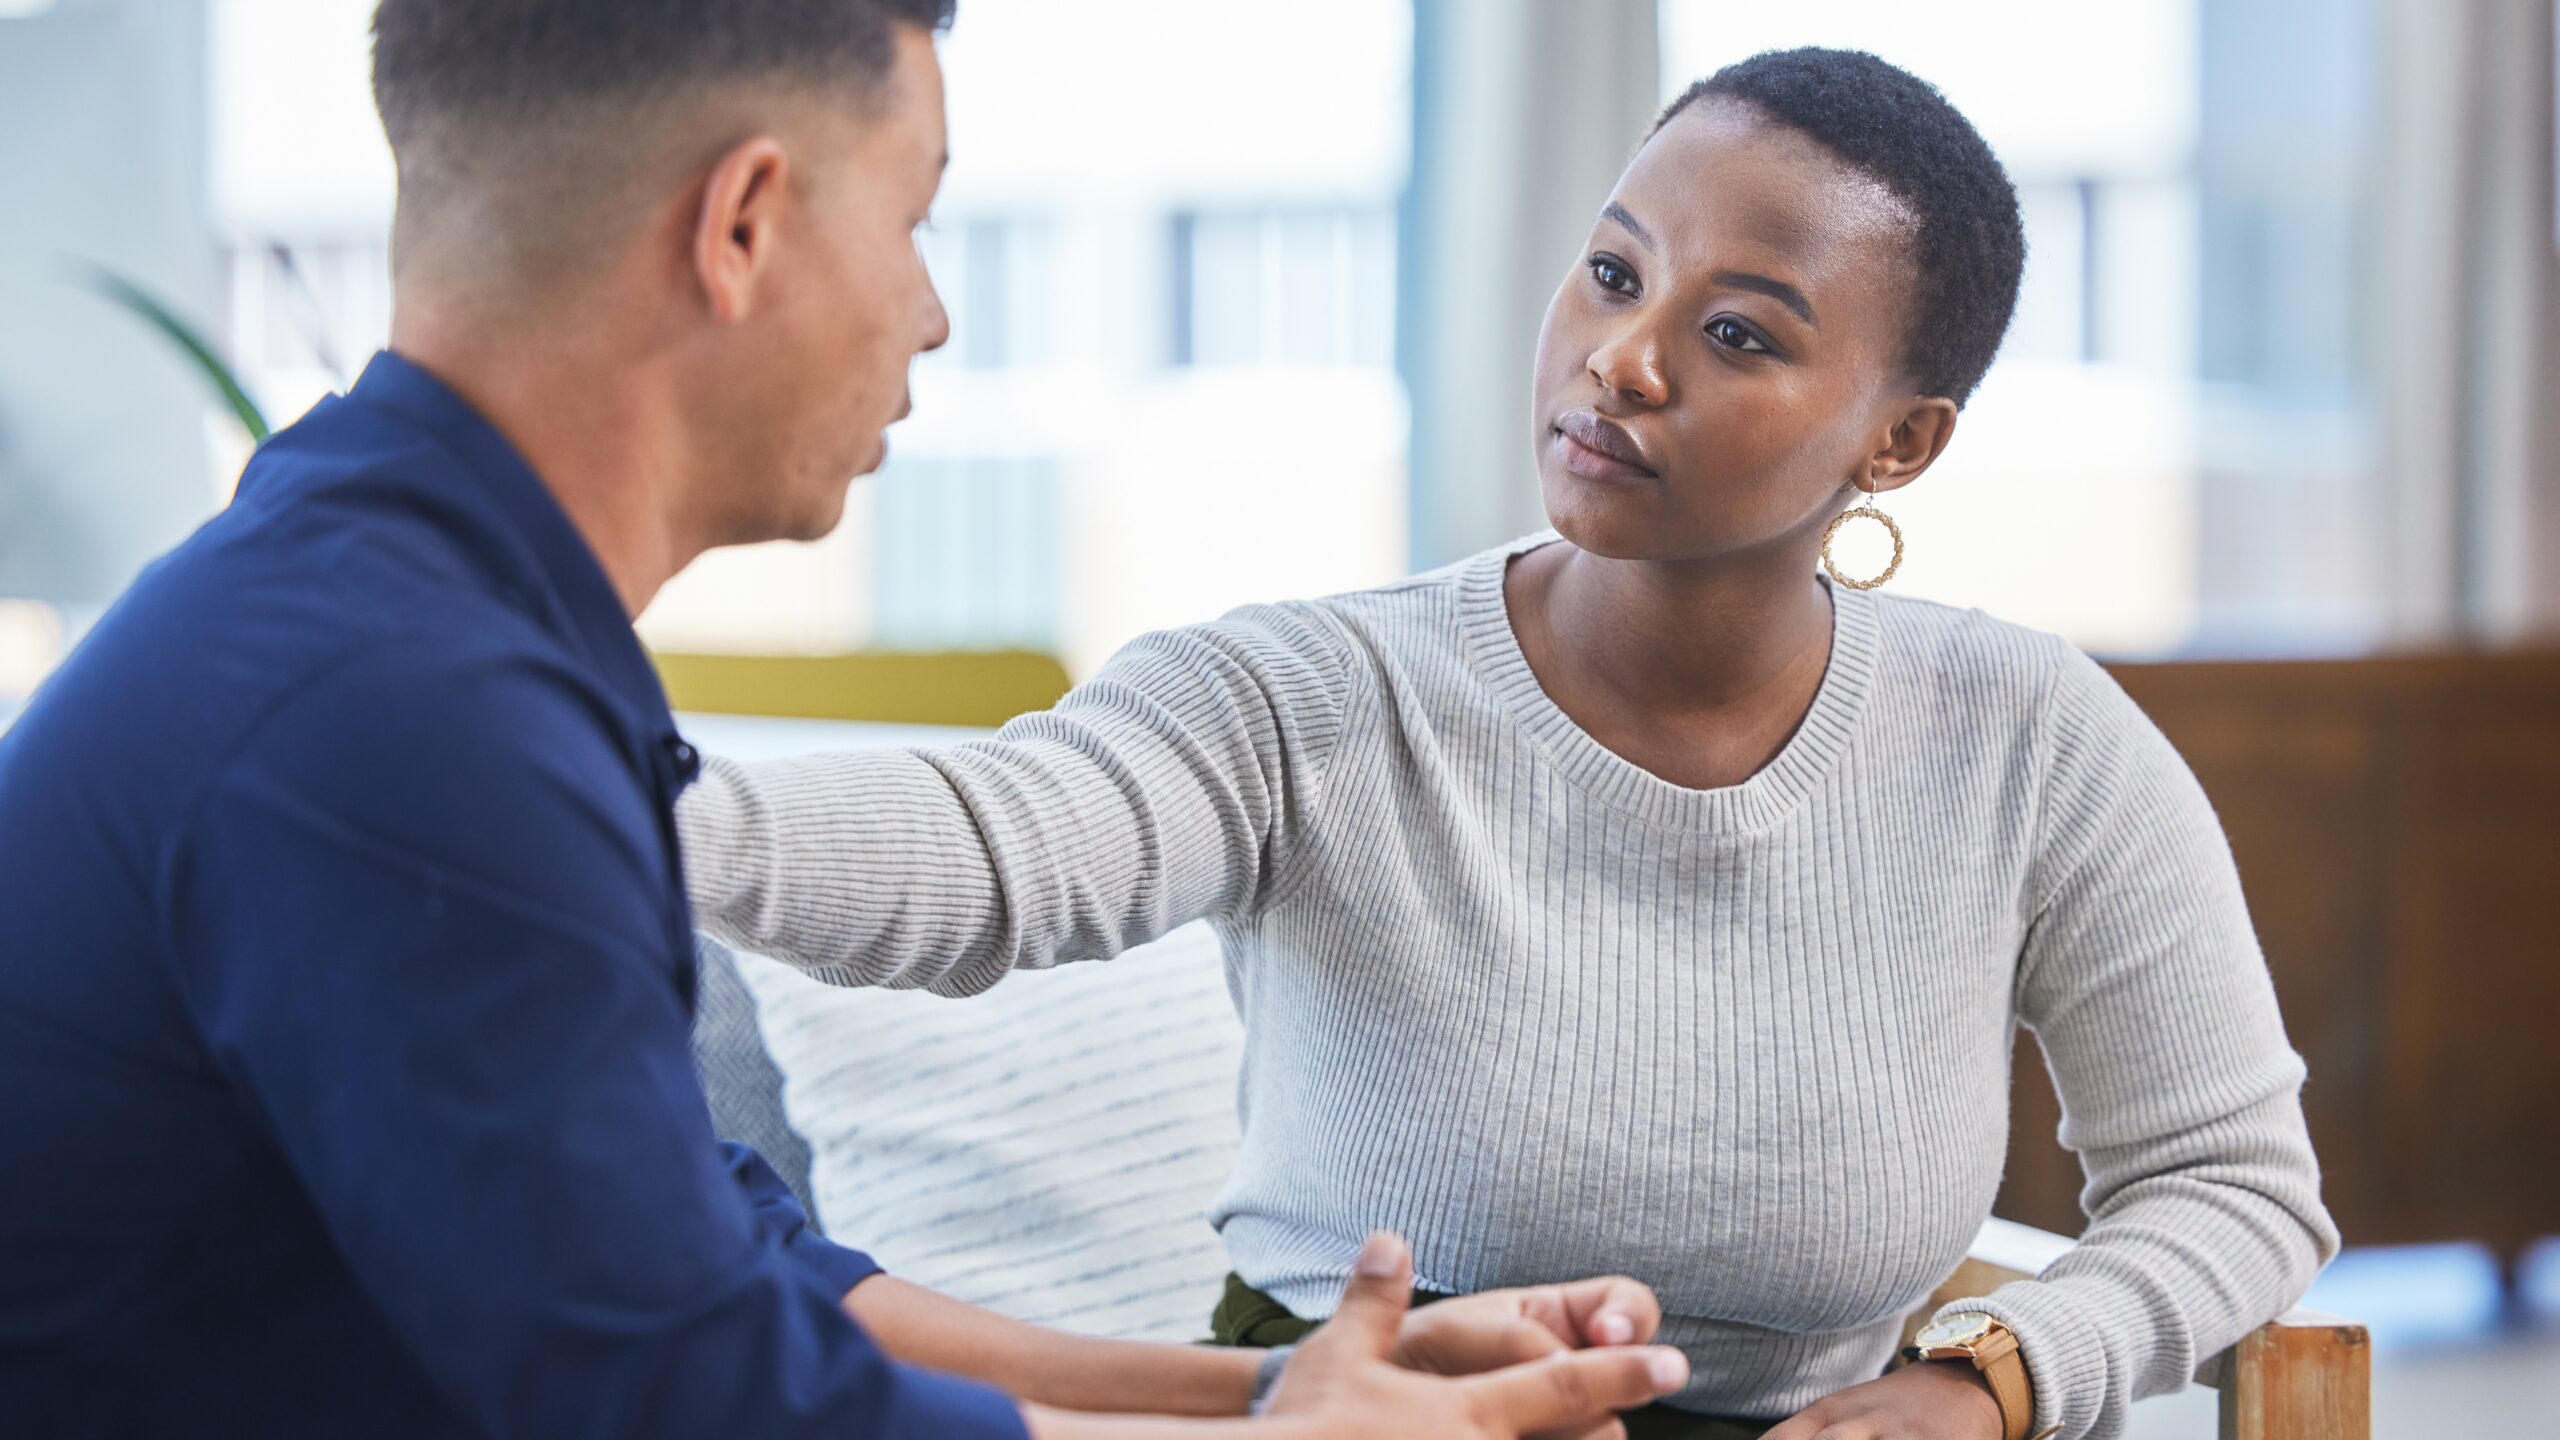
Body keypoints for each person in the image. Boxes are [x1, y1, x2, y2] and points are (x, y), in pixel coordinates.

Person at [0, 2, 1697, 1436]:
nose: (931, 313)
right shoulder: (395, 713)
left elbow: (733, 1276)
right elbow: (703, 1401)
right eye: (912, 219)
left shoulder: (408, 601)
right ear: (740, 225)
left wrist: (1274, 1393)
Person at [683, 47, 2341, 1440]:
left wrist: (1995, 1380)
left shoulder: (2034, 744)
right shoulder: (1302, 695)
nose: (1622, 357)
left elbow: (2238, 1186)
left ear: (1899, 441)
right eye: (1616, 273)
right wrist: (611, 798)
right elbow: (998, 848)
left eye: (1740, 332)